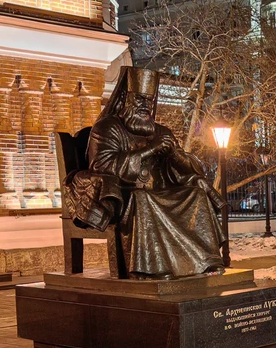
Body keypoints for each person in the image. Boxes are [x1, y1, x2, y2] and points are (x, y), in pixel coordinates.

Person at [67, 67, 227, 279]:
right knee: (142, 199)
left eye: (149, 101)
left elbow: (189, 168)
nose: (145, 106)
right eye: (139, 99)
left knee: (196, 195)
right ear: (126, 98)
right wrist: (149, 150)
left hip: (161, 191)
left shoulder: (161, 132)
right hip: (126, 195)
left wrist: (176, 156)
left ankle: (206, 261)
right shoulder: (108, 128)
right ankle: (153, 268)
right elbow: (102, 166)